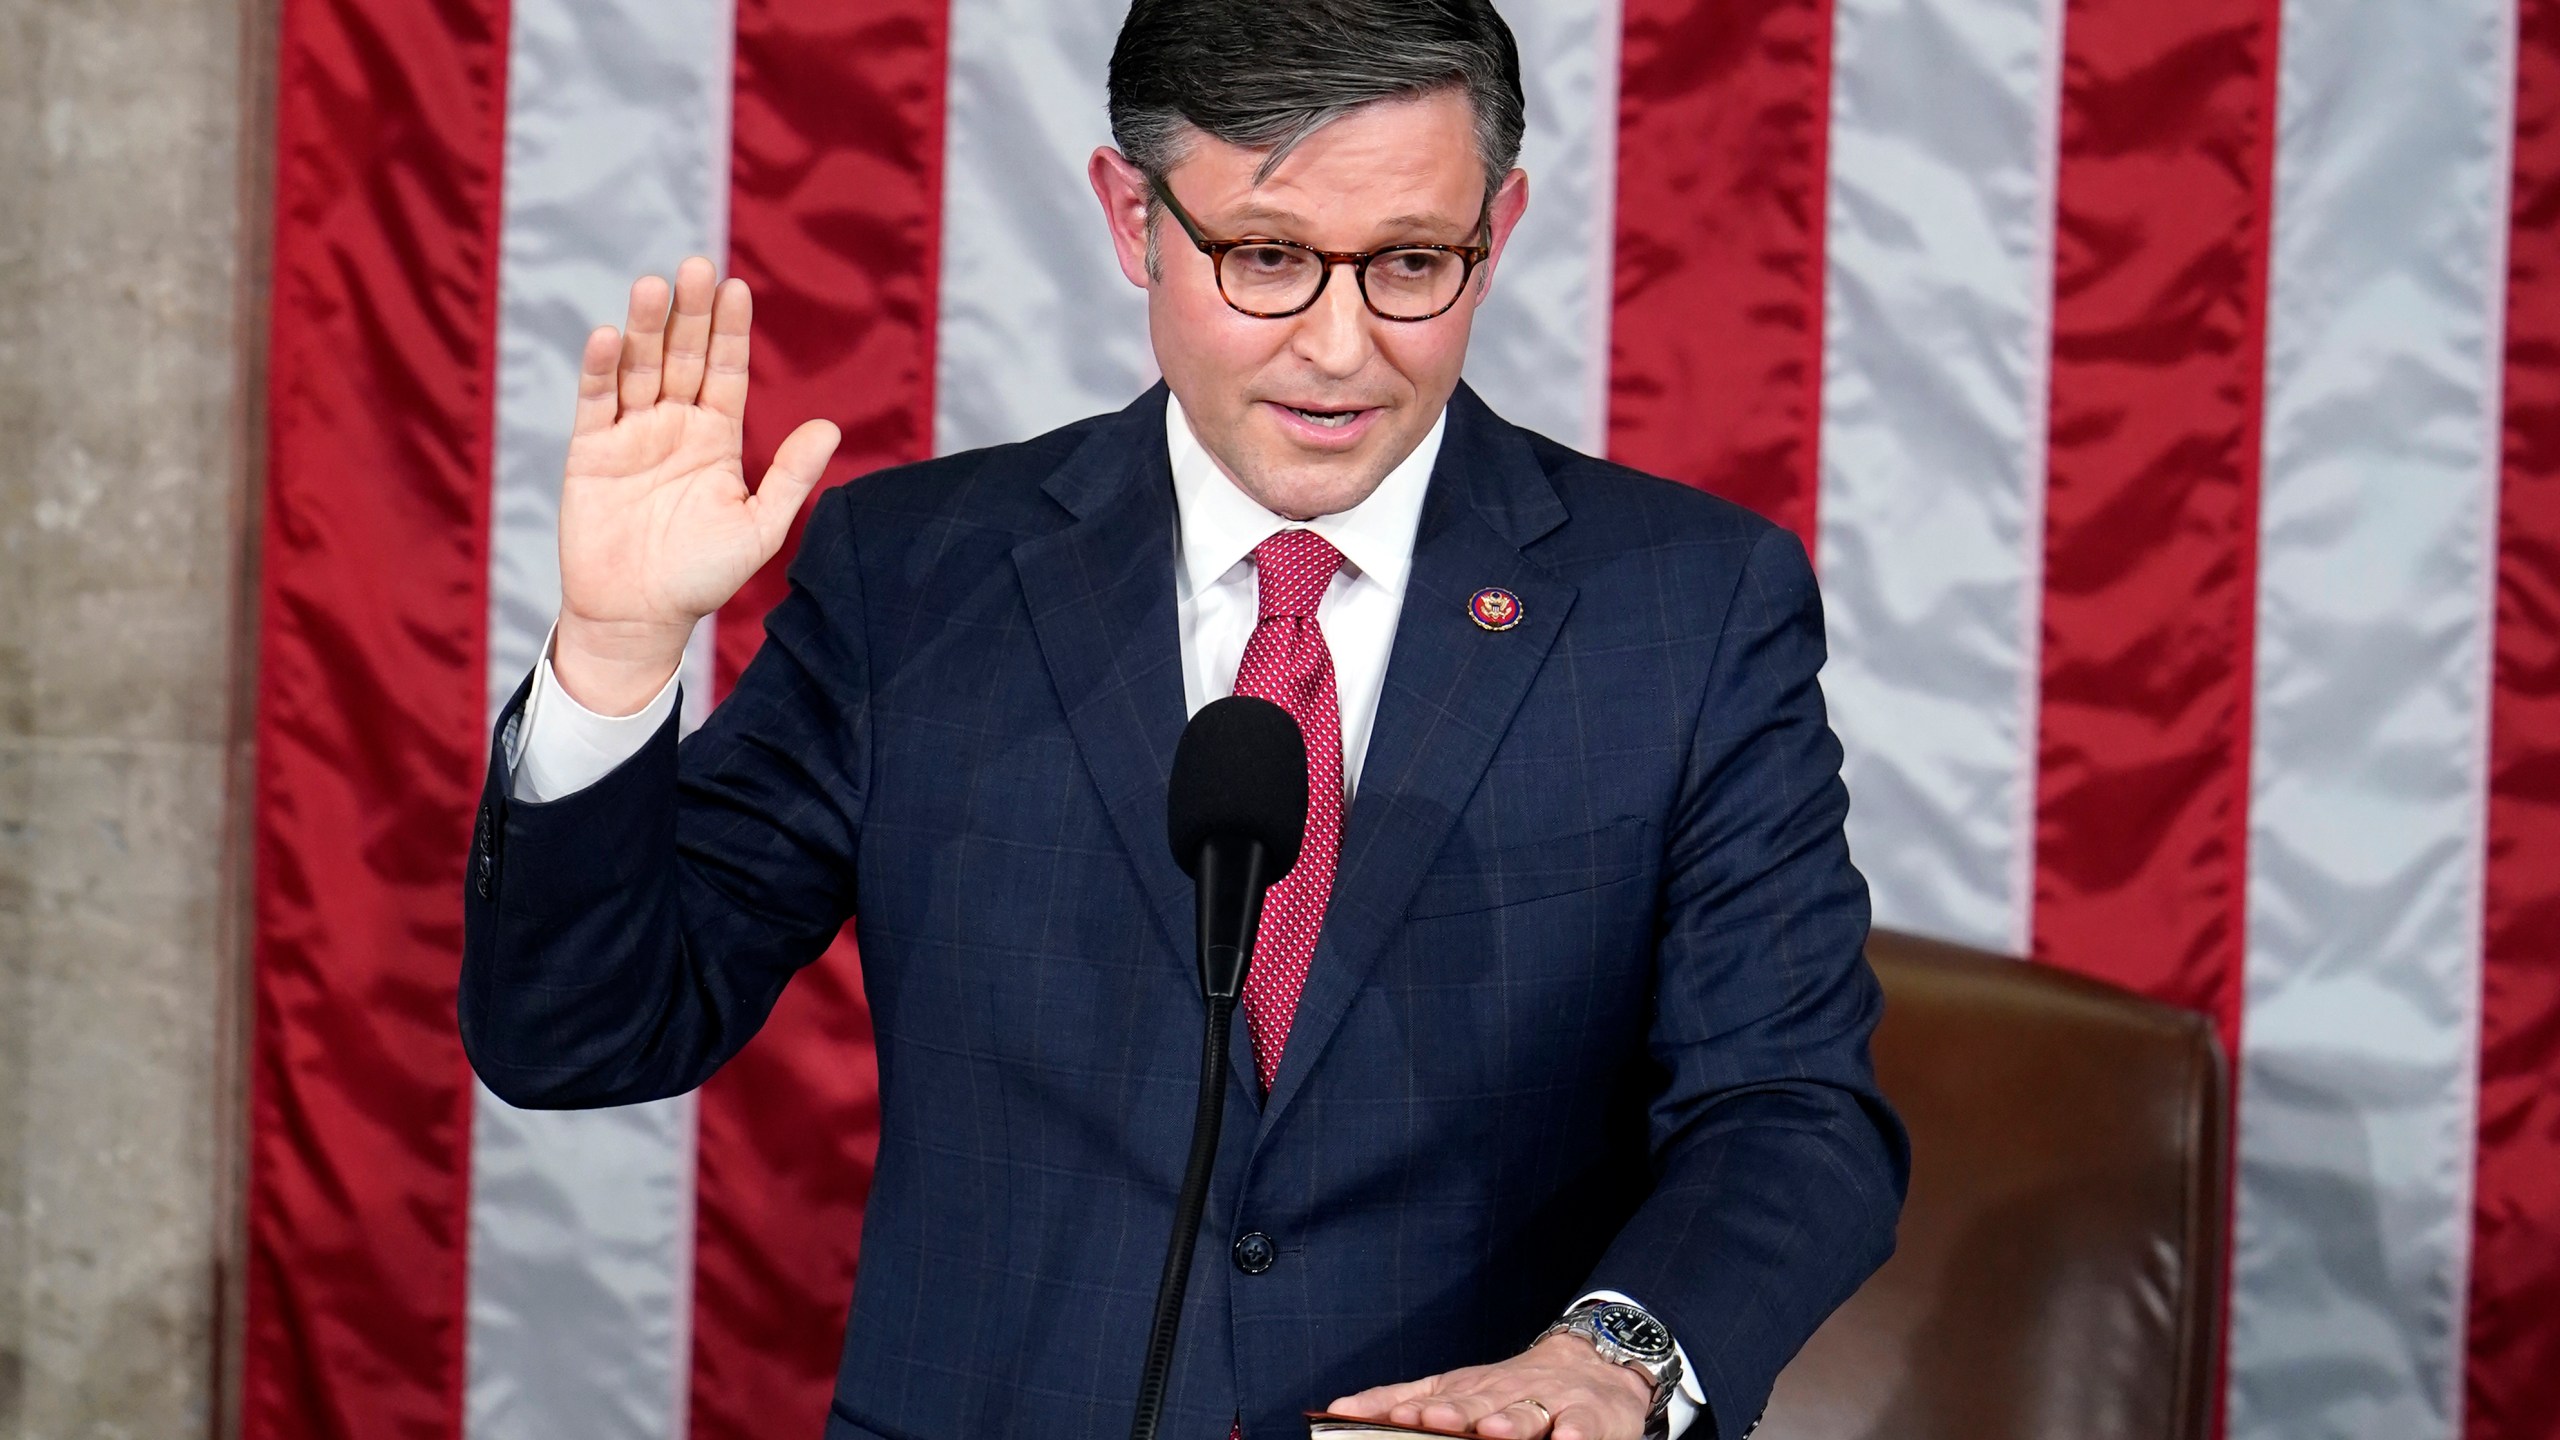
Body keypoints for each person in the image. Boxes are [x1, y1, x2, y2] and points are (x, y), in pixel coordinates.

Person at [459, 2, 1907, 1437]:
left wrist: (1611, 1358)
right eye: (1266, 258)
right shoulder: (916, 580)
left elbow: (1788, 1109)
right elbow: (583, 1037)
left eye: (1411, 263)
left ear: (1500, 226)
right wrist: (615, 653)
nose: (1339, 349)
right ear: (1132, 218)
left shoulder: (1684, 606)